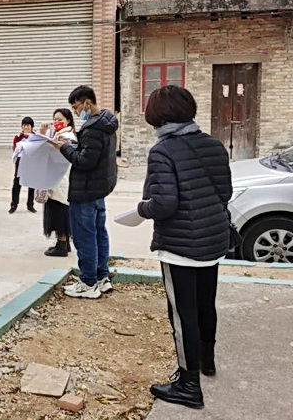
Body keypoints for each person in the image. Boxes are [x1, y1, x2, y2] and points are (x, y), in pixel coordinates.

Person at [139, 86, 232, 409]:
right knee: (206, 304)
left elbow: (163, 204)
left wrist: (141, 209)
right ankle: (207, 361)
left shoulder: (162, 151)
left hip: (179, 247)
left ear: (157, 116)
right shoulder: (214, 145)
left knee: (182, 315)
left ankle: (189, 385)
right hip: (213, 240)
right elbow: (225, 193)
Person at [49, 85, 117, 299]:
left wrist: (64, 148)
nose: (76, 112)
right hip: (99, 189)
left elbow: (85, 161)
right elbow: (92, 153)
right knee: (99, 233)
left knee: (85, 237)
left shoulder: (94, 128)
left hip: (85, 190)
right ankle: (101, 277)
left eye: (76, 107)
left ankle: (88, 282)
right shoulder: (107, 122)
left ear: (87, 103)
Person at [43, 108, 76, 257]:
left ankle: (62, 244)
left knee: (59, 211)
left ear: (68, 120)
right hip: (58, 179)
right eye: (55, 119)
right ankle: (63, 242)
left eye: (60, 119)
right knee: (58, 209)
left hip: (60, 179)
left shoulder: (66, 137)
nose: (57, 122)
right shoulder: (59, 134)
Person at [9, 117, 36, 214]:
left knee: (32, 184)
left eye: (28, 125)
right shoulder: (18, 137)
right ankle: (14, 204)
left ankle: (30, 205)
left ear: (32, 126)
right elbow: (15, 149)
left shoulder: (36, 137)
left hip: (32, 164)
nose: (26, 127)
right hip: (20, 164)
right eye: (24, 125)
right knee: (17, 184)